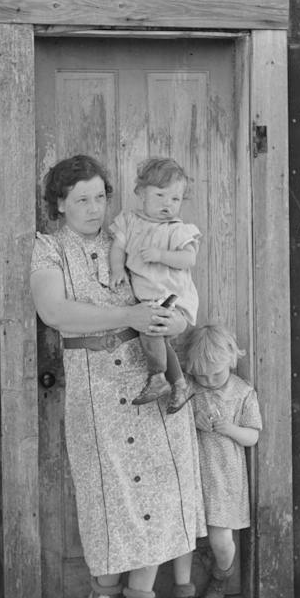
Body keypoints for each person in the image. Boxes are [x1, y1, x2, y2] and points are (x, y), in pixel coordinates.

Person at [30, 155, 207, 598]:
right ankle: (103, 596)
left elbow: (176, 291)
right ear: (59, 204)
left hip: (151, 378)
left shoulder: (129, 236)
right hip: (95, 390)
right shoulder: (49, 249)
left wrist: (177, 321)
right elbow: (54, 312)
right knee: (107, 496)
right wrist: (127, 313)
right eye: (81, 199)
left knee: (158, 493)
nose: (94, 208)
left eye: (100, 197)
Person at [109, 157, 201, 414]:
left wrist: (161, 255)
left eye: (175, 199)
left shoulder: (177, 230)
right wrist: (117, 269)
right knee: (156, 336)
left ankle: (158, 378)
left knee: (150, 329)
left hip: (172, 295)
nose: (167, 204)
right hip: (150, 298)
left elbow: (188, 259)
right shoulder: (129, 221)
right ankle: (179, 385)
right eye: (160, 195)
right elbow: (117, 247)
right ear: (141, 193)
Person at [182, 324, 262, 598]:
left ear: (230, 359)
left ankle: (221, 575)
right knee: (187, 537)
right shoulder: (190, 388)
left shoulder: (242, 392)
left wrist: (230, 429)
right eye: (201, 375)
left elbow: (252, 436)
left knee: (221, 540)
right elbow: (172, 418)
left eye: (216, 374)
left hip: (223, 478)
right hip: (191, 475)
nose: (208, 380)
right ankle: (183, 591)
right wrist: (193, 420)